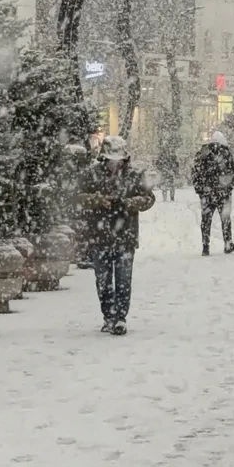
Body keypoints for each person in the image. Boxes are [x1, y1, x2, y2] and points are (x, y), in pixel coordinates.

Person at [79, 135, 155, 335]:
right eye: (111, 160)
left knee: (123, 279)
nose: (114, 165)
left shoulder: (135, 174)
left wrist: (129, 203)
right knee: (103, 280)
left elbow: (148, 198)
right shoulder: (90, 174)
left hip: (125, 235)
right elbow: (76, 199)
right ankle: (109, 316)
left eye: (118, 160)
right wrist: (96, 200)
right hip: (99, 234)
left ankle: (120, 317)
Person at [191, 132, 234, 256]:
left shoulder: (202, 154)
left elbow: (195, 173)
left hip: (207, 194)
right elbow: (232, 173)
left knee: (206, 220)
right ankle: (227, 243)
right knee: (225, 219)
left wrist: (200, 190)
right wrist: (228, 187)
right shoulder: (225, 154)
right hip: (222, 192)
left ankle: (205, 246)